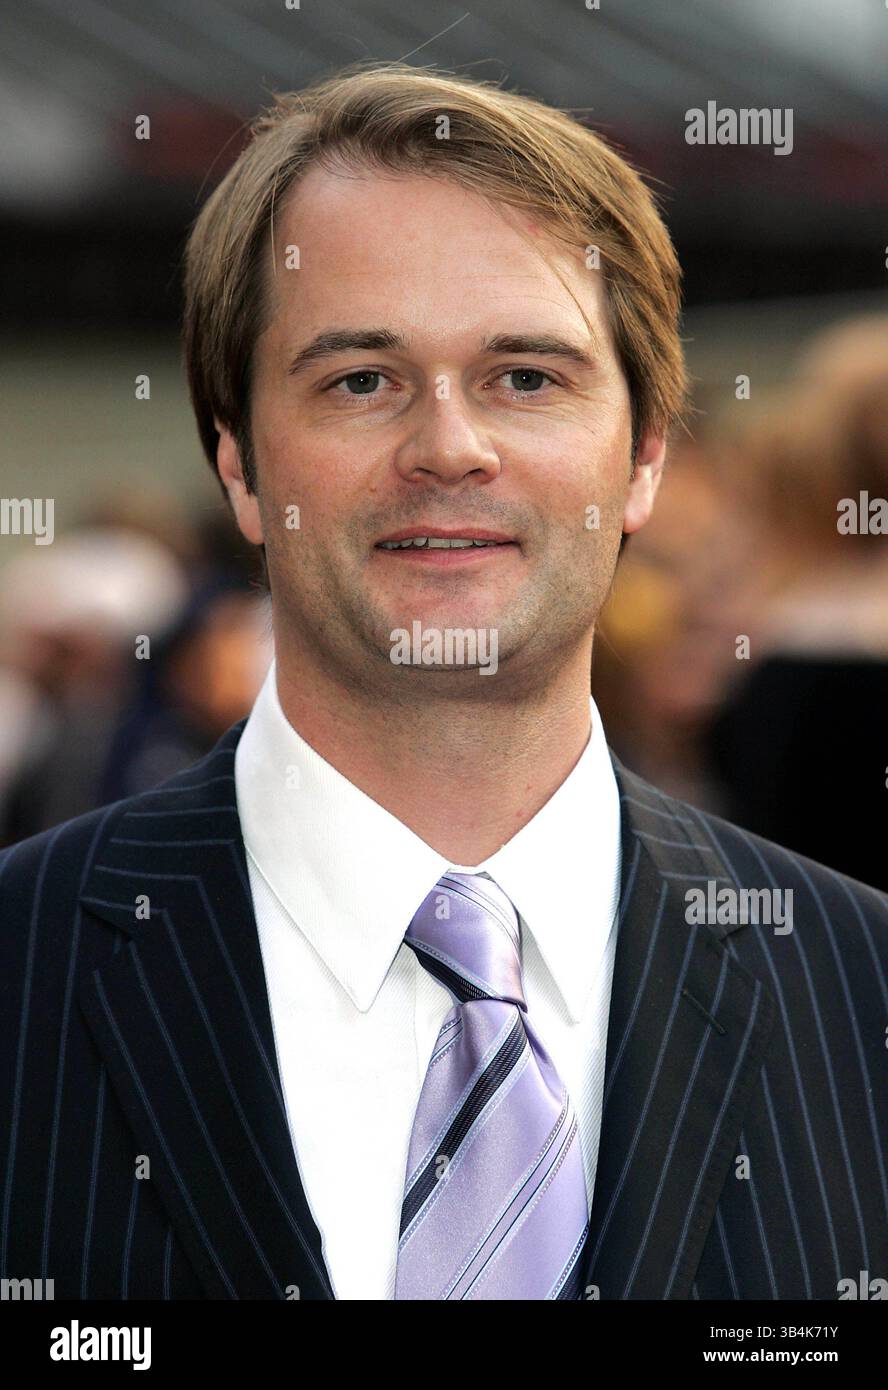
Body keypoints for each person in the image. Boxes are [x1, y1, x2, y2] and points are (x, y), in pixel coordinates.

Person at [1, 63, 886, 1302]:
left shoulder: (865, 994)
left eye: (527, 376)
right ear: (239, 466)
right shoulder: (20, 967)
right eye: (361, 378)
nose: (450, 447)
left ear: (643, 458)